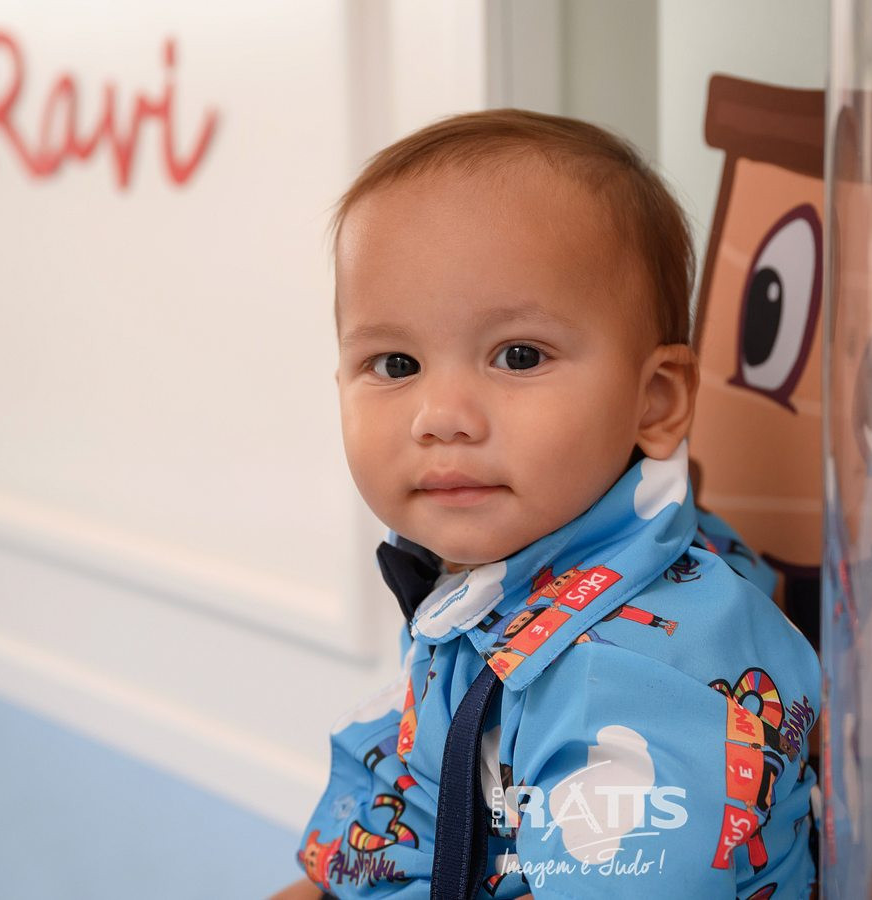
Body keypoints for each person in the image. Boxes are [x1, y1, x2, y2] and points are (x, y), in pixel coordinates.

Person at [271, 109, 820, 900]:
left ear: (655, 399)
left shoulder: (627, 678)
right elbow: (421, 796)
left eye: (518, 355)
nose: (441, 416)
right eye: (395, 364)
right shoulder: (485, 581)